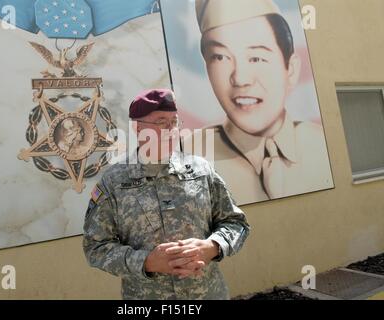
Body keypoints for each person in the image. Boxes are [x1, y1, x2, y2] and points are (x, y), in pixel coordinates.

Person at [82, 88, 250, 299]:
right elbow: (95, 247)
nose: (171, 130)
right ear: (137, 128)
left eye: (174, 122)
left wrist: (212, 247)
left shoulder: (200, 170)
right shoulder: (114, 181)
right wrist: (147, 261)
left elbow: (236, 223)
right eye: (162, 122)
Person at [193, 0, 332, 204]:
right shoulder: (193, 158)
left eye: (256, 58)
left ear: (291, 69)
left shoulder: (321, 144)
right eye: (221, 57)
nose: (240, 78)